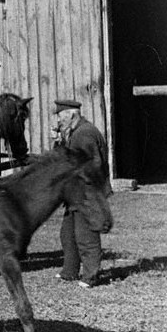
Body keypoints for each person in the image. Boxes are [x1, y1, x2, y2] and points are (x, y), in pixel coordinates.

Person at [52, 98, 111, 288]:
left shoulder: (84, 135)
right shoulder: (76, 133)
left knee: (86, 236)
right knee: (67, 234)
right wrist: (59, 143)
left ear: (71, 115)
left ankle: (90, 277)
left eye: (60, 117)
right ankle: (70, 272)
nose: (58, 121)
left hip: (86, 193)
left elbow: (91, 166)